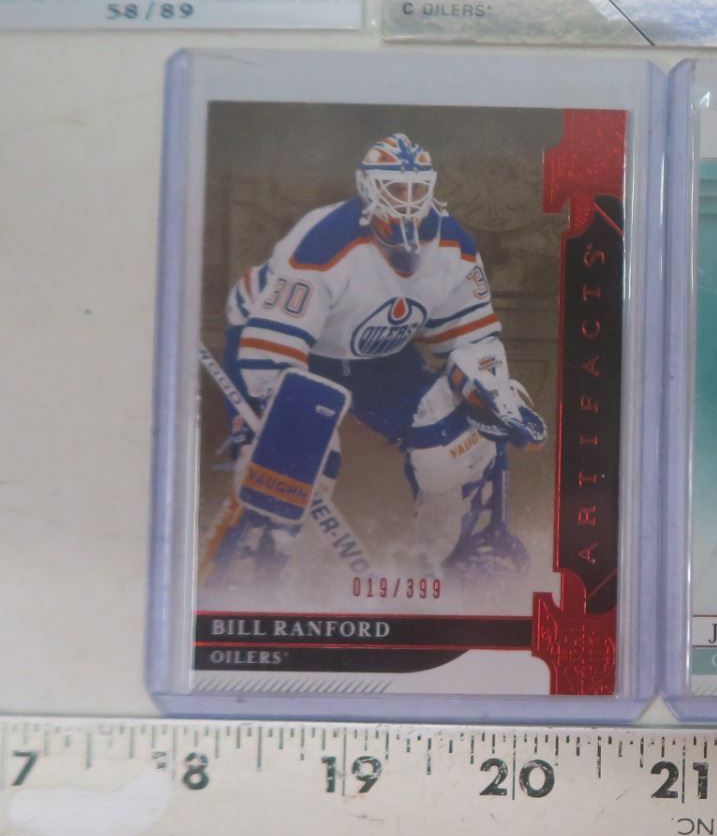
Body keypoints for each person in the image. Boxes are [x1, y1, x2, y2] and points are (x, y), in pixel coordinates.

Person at [205, 134, 544, 585]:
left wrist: (490, 395)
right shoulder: (325, 240)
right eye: (396, 188)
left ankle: (452, 560)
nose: (408, 201)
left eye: (417, 189)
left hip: (376, 356)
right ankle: (252, 566)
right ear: (369, 187)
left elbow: (471, 338)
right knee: (294, 455)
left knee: (454, 438)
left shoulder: (454, 245)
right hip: (273, 340)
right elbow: (274, 343)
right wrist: (280, 430)